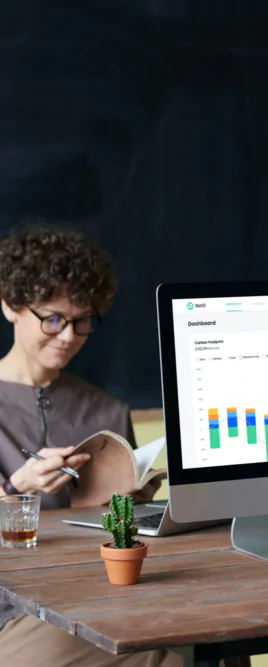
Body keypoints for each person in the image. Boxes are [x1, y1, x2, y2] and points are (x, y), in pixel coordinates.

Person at [0, 222, 179, 667]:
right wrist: (16, 489)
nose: (68, 336)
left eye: (82, 322)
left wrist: (134, 501)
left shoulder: (107, 412)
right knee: (171, 647)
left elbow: (123, 532)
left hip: (100, 595)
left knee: (198, 633)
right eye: (53, 319)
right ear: (10, 306)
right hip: (14, 613)